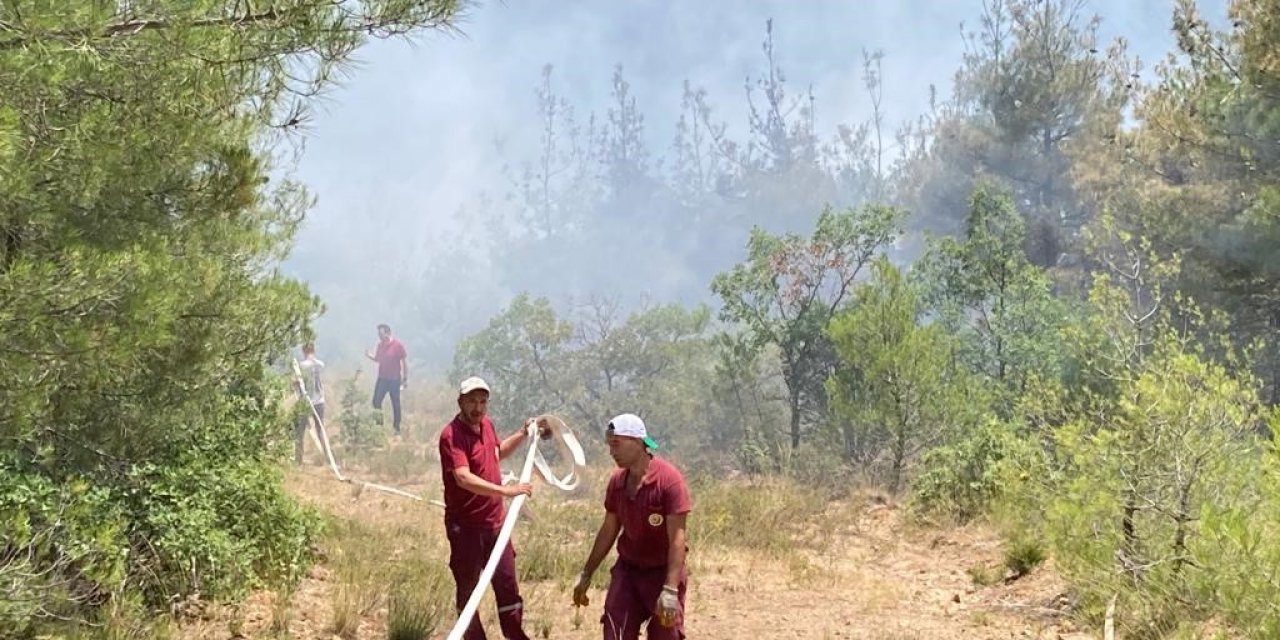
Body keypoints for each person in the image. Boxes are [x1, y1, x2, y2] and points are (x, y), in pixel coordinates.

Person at [438, 376, 549, 640]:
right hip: (465, 527)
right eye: (472, 402)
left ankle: (515, 634)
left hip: (496, 525)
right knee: (468, 589)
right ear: (460, 402)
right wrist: (506, 491)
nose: (478, 408)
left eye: (482, 402)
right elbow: (463, 477)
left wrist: (523, 434)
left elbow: (496, 453)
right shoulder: (451, 435)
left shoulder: (487, 425)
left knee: (508, 585)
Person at [572, 413, 692, 640]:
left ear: (637, 442)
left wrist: (670, 589)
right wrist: (586, 573)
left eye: (616, 444)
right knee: (615, 631)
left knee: (665, 634)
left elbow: (678, 540)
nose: (611, 451)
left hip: (662, 573)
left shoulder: (669, 482)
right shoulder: (618, 482)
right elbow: (609, 529)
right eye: (609, 445)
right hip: (628, 572)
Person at [365, 323, 407, 435]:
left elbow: (404, 362)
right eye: (378, 334)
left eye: (381, 333)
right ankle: (379, 427)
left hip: (394, 379)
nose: (379, 336)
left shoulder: (397, 345)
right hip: (382, 378)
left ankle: (397, 428)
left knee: (395, 403)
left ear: (388, 333)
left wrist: (405, 378)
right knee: (376, 401)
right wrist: (369, 356)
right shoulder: (380, 346)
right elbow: (378, 359)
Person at [292, 343, 326, 465]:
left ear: (304, 351)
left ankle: (298, 460)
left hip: (305, 402)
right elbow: (320, 365)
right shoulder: (320, 364)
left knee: (299, 431)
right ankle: (326, 458)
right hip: (320, 401)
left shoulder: (301, 366)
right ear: (313, 350)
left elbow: (296, 382)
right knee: (320, 430)